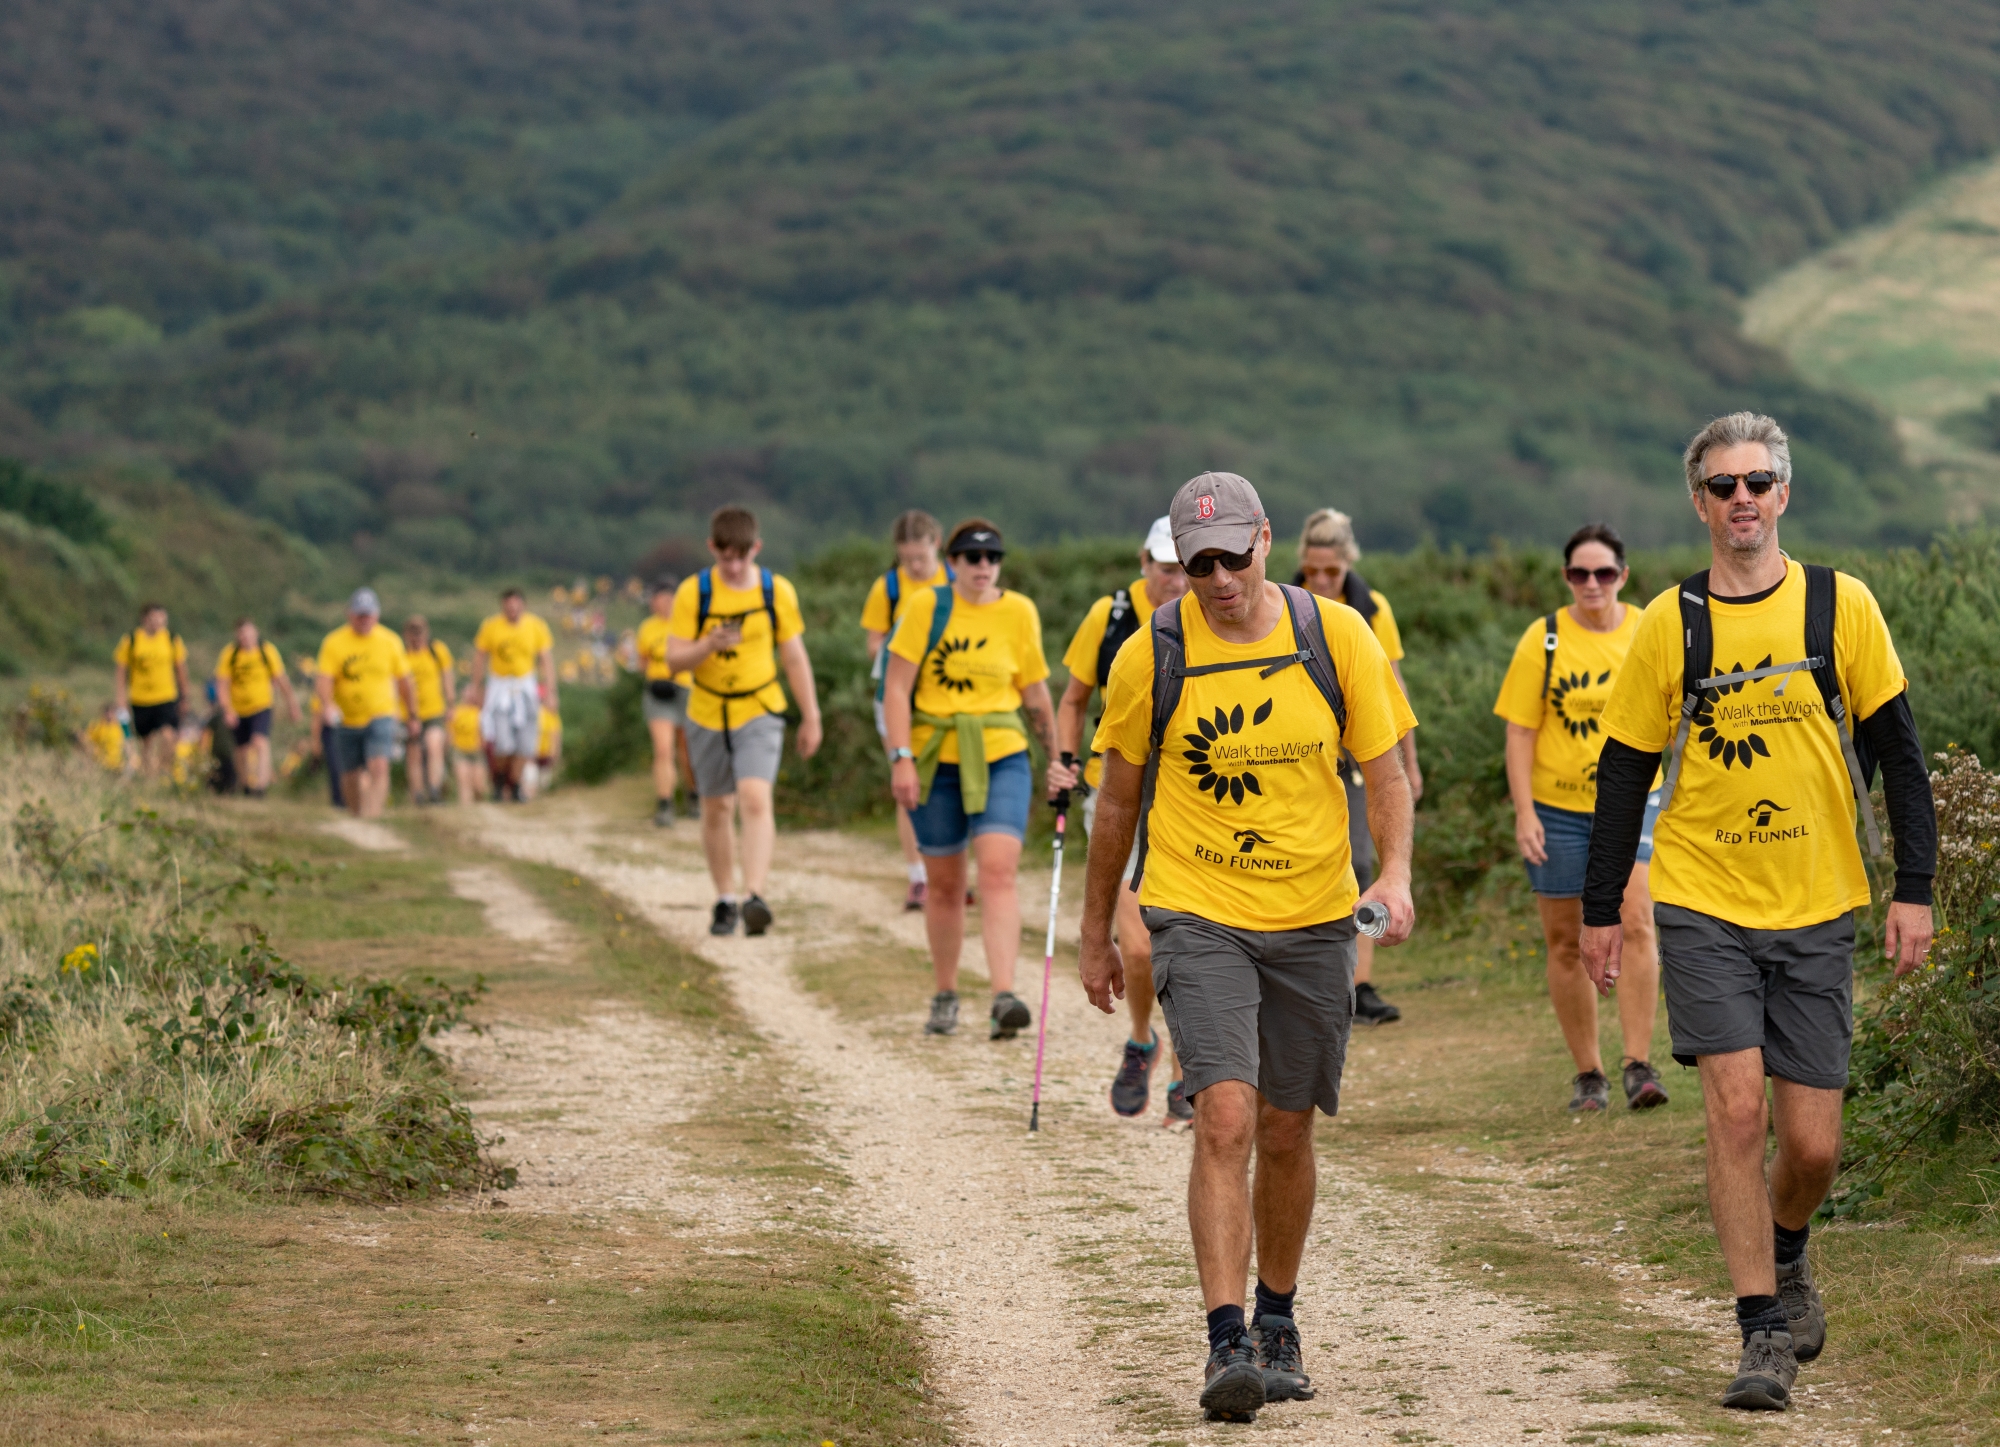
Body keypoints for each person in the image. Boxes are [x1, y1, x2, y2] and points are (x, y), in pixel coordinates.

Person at [1581, 413, 1935, 1413]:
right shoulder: (1668, 622)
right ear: (1697, 502)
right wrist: (1602, 909)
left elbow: (1899, 755)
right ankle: (1757, 1333)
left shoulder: (1839, 606)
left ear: (1783, 495)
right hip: (1701, 899)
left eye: (1757, 481)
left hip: (1818, 900)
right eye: (1722, 483)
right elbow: (1620, 776)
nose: (1741, 497)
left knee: (1811, 1145)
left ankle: (1786, 1248)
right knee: (1735, 1111)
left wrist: (1914, 886)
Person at [1078, 473, 1416, 1423]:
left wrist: (1391, 875)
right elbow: (1115, 801)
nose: (1220, 578)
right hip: (1197, 908)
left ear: (1266, 539)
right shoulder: (1152, 653)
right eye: (1199, 565)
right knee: (1224, 1114)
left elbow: (1385, 772)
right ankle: (1227, 1341)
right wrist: (1098, 927)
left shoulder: (1333, 634)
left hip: (1313, 915)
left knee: (1286, 1125)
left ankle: (1278, 1316)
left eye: (1234, 555)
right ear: (1180, 565)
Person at [1492, 524, 1667, 1111]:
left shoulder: (1650, 630)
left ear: (1624, 575)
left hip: (1636, 799)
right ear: (1567, 578)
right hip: (1556, 808)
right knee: (1566, 940)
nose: (1592, 584)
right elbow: (1520, 731)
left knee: (1636, 918)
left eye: (1604, 573)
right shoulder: (1541, 639)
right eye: (1579, 574)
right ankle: (1588, 1074)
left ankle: (1639, 1066)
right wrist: (1524, 813)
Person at [883, 519, 1059, 1040]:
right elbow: (896, 688)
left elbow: (1035, 692)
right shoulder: (924, 608)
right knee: (945, 885)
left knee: (998, 871)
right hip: (936, 755)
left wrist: (1057, 755)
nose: (983, 566)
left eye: (992, 557)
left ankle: (1004, 994)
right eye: (971, 557)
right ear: (952, 562)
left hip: (1002, 751)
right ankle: (946, 992)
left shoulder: (1020, 611)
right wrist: (901, 757)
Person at [1049, 515, 1193, 1120]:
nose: (1177, 580)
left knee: (1189, 940)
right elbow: (1075, 697)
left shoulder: (1211, 615)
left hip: (1189, 797)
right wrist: (1063, 762)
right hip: (1117, 791)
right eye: (1165, 567)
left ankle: (1189, 1075)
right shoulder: (1110, 616)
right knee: (1136, 947)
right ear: (1145, 563)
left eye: (1184, 567)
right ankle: (1142, 1041)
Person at [666, 506, 823, 937]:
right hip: (707, 710)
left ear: (757, 549)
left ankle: (755, 895)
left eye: (742, 557)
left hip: (759, 706)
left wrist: (811, 716)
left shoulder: (777, 591)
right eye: (725, 557)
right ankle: (724, 898)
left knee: (755, 796)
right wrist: (707, 646)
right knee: (717, 806)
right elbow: (673, 660)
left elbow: (793, 655)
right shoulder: (693, 593)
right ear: (711, 549)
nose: (734, 567)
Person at [1295, 509, 1421, 1026]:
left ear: (1349, 563)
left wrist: (1409, 765)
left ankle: (1359, 984)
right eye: (1313, 572)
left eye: (1332, 572)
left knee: (1362, 863)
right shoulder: (1286, 605)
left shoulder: (1372, 610)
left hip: (1359, 753)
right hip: (1299, 752)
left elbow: (1394, 689)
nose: (1322, 581)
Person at [862, 510, 955, 909]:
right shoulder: (888, 587)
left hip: (948, 692)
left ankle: (952, 875)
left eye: (921, 557)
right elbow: (873, 644)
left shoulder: (958, 578)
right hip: (897, 692)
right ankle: (917, 876)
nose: (914, 566)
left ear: (938, 545)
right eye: (907, 559)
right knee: (908, 780)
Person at [315, 588, 419, 819]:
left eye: (368, 615)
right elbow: (324, 680)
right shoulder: (334, 642)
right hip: (347, 717)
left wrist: (412, 714)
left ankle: (373, 817)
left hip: (381, 713)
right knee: (350, 774)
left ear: (377, 615)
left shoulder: (390, 641)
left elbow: (405, 682)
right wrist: (327, 704)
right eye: (359, 615)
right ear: (349, 615)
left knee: (379, 765)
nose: (364, 620)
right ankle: (357, 815)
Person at [471, 588, 556, 802]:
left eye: (516, 606)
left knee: (526, 743)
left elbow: (546, 660)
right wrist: (476, 686)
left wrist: (550, 691)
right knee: (502, 742)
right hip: (500, 686)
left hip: (525, 685)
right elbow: (480, 658)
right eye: (509, 606)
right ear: (503, 607)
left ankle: (516, 784)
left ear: (523, 606)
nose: (512, 610)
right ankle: (500, 779)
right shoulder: (491, 627)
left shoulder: (536, 626)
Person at [215, 619, 302, 798]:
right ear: (237, 635)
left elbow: (281, 680)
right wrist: (227, 710)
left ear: (256, 633)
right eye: (242, 633)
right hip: (238, 709)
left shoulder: (266, 651)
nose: (245, 637)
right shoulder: (230, 654)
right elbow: (222, 684)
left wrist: (292, 704)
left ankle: (261, 788)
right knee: (241, 750)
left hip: (262, 705)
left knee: (260, 743)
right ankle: (246, 785)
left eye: (249, 633)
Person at [635, 577, 694, 827]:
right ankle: (665, 803)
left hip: (686, 689)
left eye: (670, 598)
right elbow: (642, 661)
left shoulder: (687, 624)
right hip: (659, 693)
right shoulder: (647, 628)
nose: (665, 603)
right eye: (661, 598)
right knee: (663, 749)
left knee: (688, 749)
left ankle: (694, 794)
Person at [112, 603, 191, 779]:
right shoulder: (131, 640)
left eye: (161, 619)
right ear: (144, 619)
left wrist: (185, 696)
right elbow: (121, 671)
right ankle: (149, 777)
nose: (157, 623)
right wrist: (120, 697)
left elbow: (181, 670)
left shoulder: (171, 639)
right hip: (140, 698)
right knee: (145, 741)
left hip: (166, 696)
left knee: (168, 735)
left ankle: (163, 771)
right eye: (154, 619)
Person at [402, 617, 456, 804]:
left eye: (420, 633)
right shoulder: (402, 655)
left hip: (434, 710)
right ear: (406, 635)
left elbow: (447, 676)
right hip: (408, 713)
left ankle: (434, 789)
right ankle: (417, 794)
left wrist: (450, 703)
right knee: (414, 753)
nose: (417, 638)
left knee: (434, 746)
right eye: (413, 634)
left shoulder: (436, 651)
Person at [448, 699, 487, 805]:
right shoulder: (455, 712)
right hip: (459, 750)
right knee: (463, 781)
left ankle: (480, 807)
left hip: (476, 751)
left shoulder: (480, 713)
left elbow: (485, 733)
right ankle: (466, 807)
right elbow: (449, 734)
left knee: (479, 787)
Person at [523, 704, 562, 799]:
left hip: (545, 754)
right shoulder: (531, 714)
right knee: (531, 778)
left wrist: (555, 752)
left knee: (545, 783)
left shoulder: (551, 715)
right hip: (533, 754)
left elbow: (555, 735)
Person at [80, 701, 128, 773]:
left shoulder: (121, 728)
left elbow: (127, 744)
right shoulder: (96, 726)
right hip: (101, 760)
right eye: (107, 712)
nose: (109, 715)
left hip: (117, 762)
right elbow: (85, 740)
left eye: (111, 712)